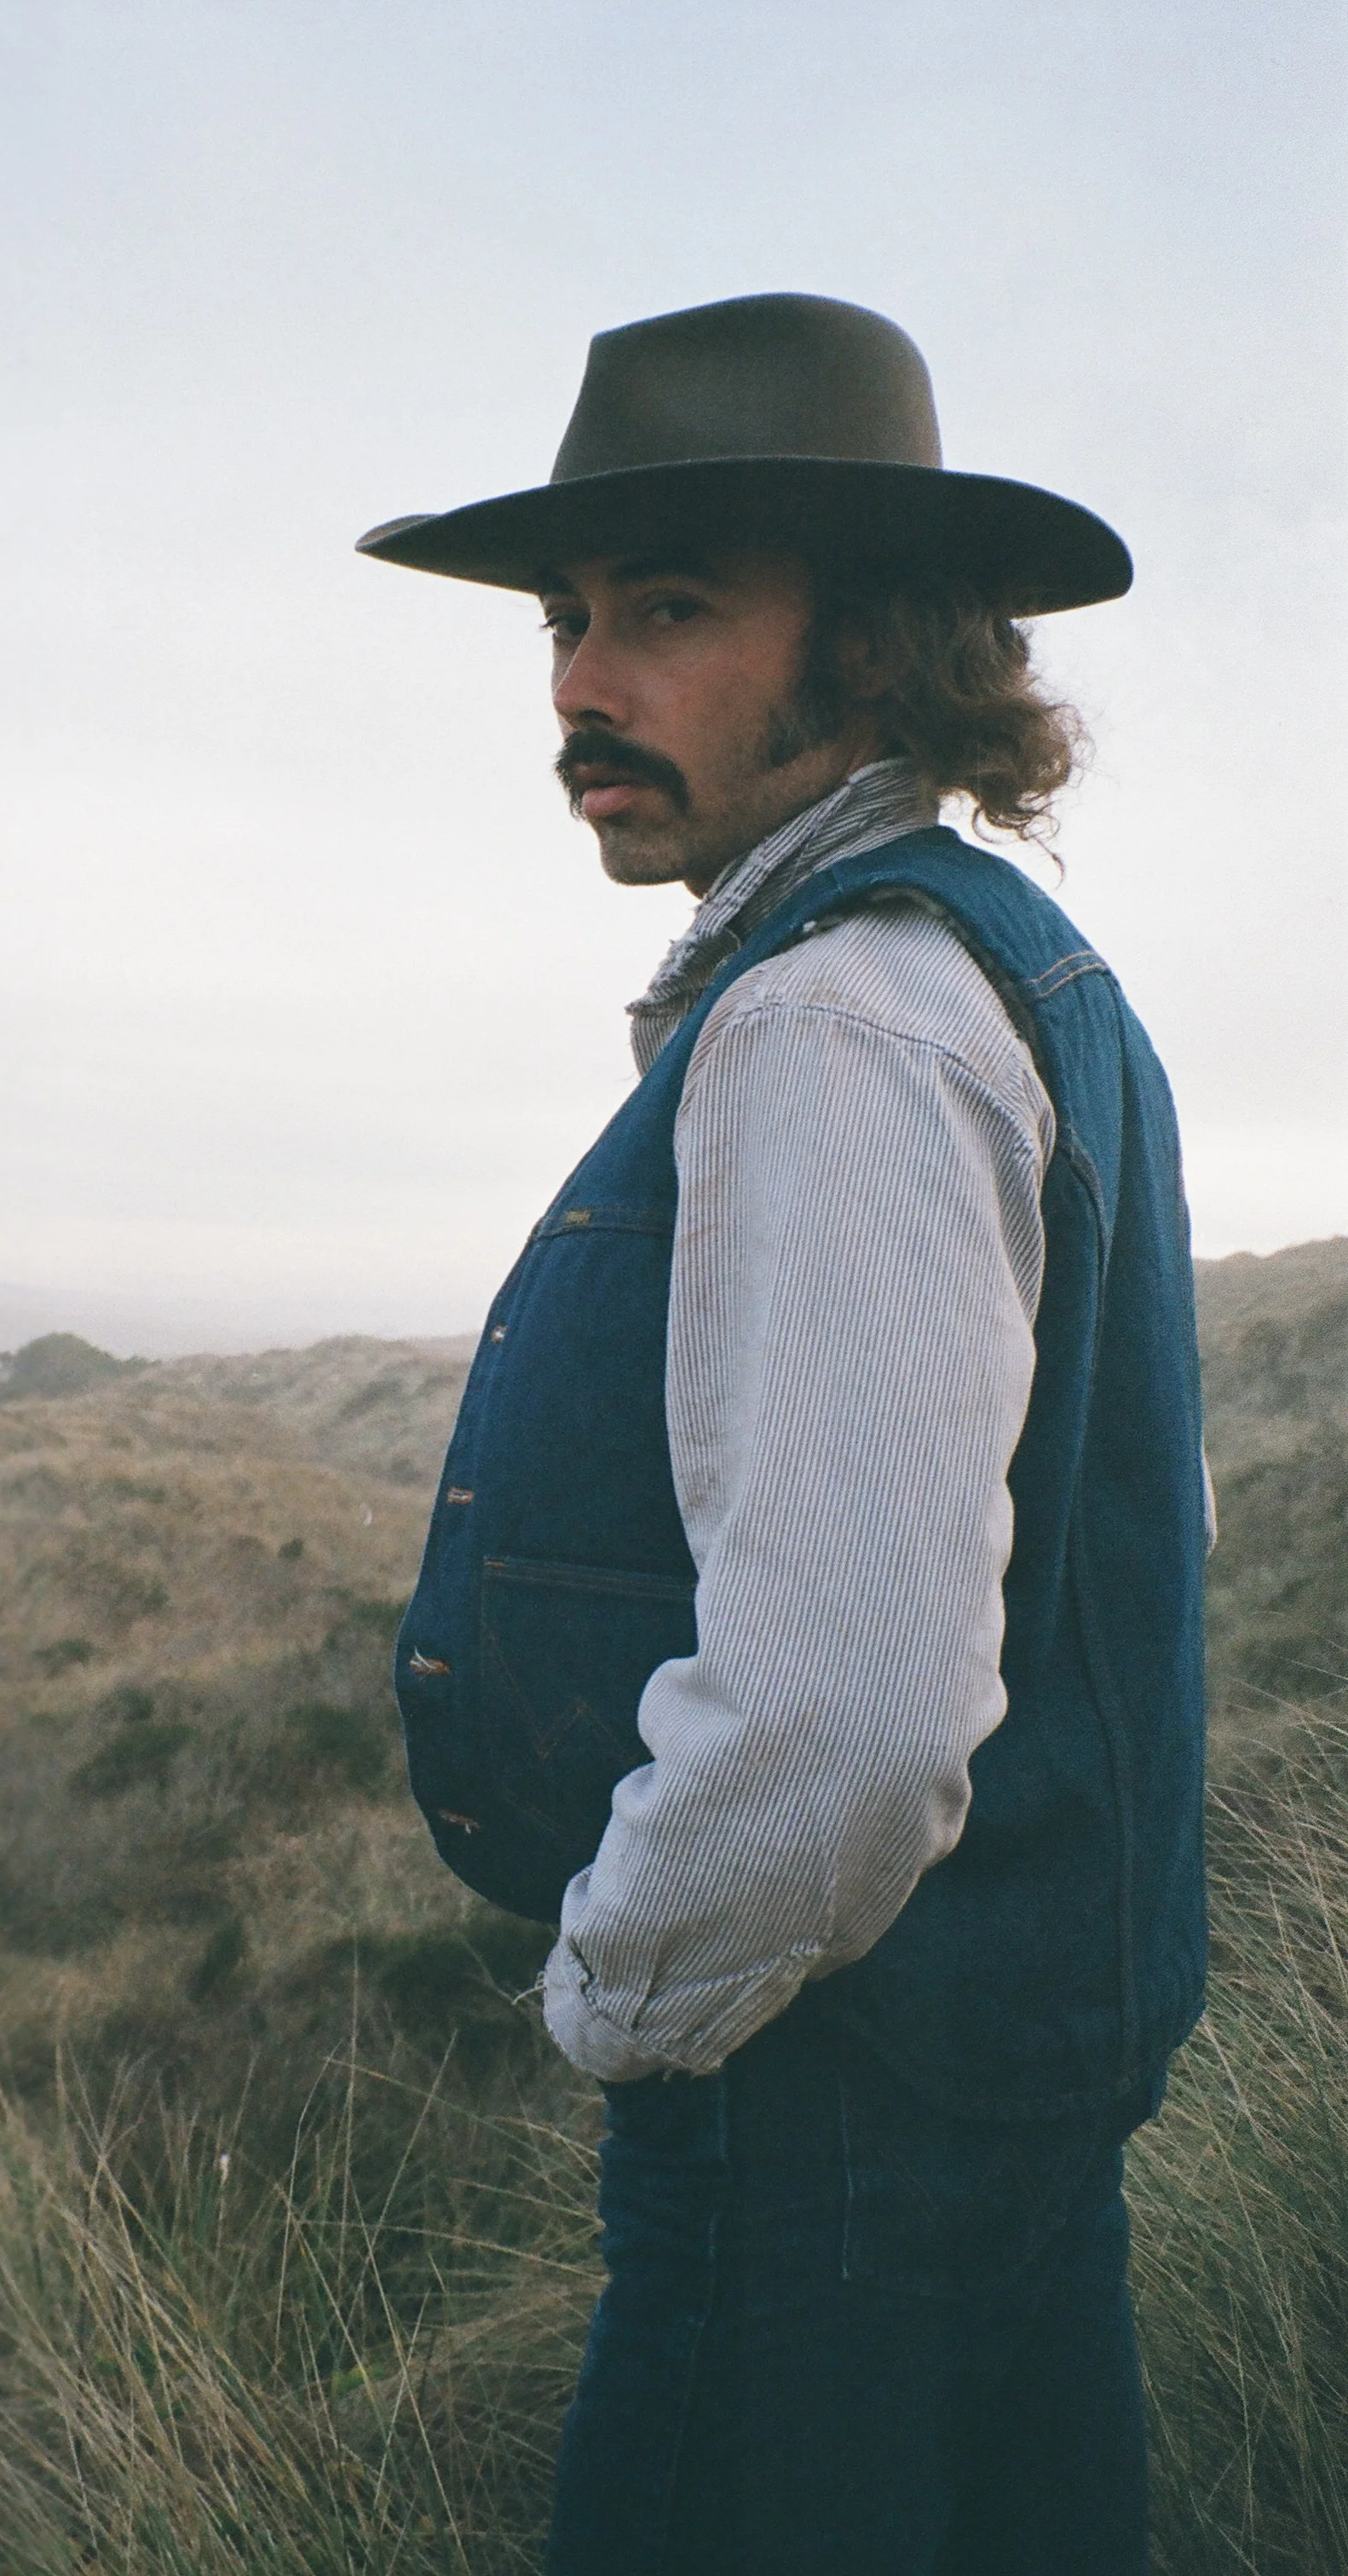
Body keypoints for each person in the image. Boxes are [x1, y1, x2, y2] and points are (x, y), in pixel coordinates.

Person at [357, 295, 1208, 2576]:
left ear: (875, 639)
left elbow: (844, 1716)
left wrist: (626, 1998)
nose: (577, 683)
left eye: (666, 610)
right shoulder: (997, 971)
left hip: (830, 2118)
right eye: (563, 619)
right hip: (987, 2084)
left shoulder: (840, 1018)